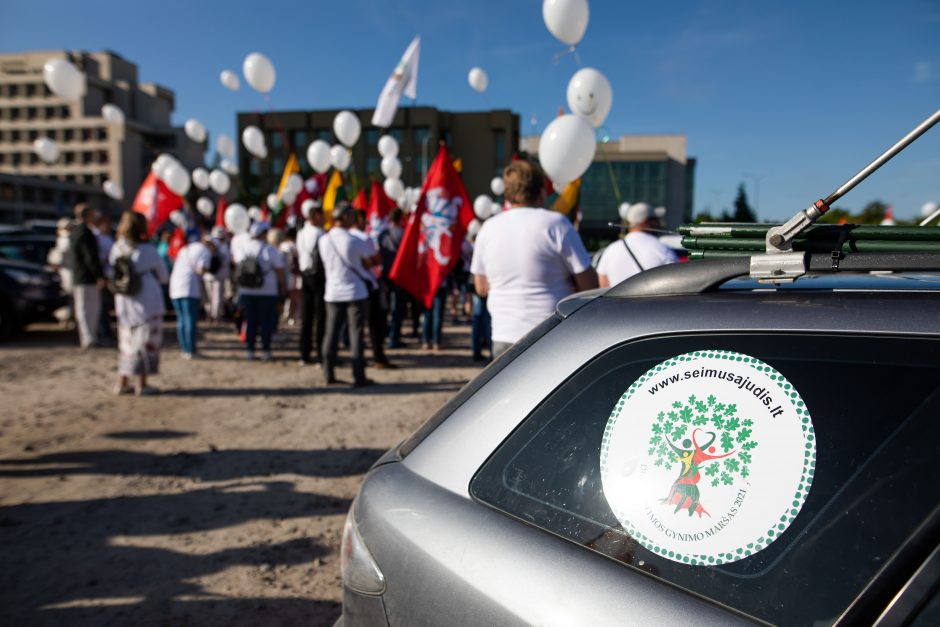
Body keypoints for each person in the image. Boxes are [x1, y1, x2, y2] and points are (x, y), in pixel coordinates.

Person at [470, 160, 598, 357]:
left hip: (503, 335)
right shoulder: (556, 223)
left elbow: (481, 288)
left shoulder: (488, 228)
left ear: (507, 194)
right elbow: (590, 285)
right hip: (549, 335)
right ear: (541, 191)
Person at [319, 203, 380, 386]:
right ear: (344, 217)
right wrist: (365, 264)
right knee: (356, 335)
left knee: (331, 334)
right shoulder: (353, 240)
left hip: (332, 293)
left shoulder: (324, 240)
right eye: (352, 215)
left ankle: (328, 373)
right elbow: (374, 260)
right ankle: (358, 376)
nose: (356, 219)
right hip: (355, 292)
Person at [110, 212, 169, 396]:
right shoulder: (147, 250)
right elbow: (164, 275)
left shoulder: (117, 248)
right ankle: (142, 383)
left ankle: (122, 381)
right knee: (145, 342)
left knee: (127, 343)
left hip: (124, 300)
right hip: (147, 300)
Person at [233, 220, 285, 361]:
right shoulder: (269, 249)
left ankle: (250, 350)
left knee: (250, 322)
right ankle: (265, 351)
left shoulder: (243, 248)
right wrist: (282, 287)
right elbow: (279, 270)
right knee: (266, 322)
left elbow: (237, 266)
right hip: (267, 292)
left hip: (246, 291)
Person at [597, 202, 678, 287]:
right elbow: (675, 283)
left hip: (615, 300)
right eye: (655, 219)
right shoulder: (663, 249)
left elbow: (604, 288)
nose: (659, 223)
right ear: (646, 222)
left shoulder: (610, 251)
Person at [352, 210, 394, 368]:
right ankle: (378, 357)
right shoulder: (364, 238)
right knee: (375, 323)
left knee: (357, 326)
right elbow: (375, 259)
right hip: (368, 286)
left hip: (355, 287)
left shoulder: (350, 237)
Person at [168, 229, 213, 359]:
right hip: (189, 288)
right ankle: (191, 350)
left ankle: (184, 349)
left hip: (175, 287)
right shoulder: (204, 251)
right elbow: (200, 269)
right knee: (190, 320)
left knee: (181, 320)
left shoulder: (185, 249)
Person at [67, 203, 106, 348]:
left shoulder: (76, 231)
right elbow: (90, 257)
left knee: (83, 309)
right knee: (89, 309)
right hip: (86, 277)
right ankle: (90, 338)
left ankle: (88, 337)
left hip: (79, 276)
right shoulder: (85, 233)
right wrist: (99, 275)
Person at [297, 202, 326, 365]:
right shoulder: (319, 233)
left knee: (307, 317)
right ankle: (321, 353)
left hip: (305, 274)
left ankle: (304, 353)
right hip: (317, 276)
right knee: (320, 316)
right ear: (317, 216)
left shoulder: (301, 232)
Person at [379, 208, 407, 348]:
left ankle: (384, 334)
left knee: (385, 307)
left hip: (385, 274)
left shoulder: (382, 234)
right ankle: (394, 337)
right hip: (398, 276)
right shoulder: (403, 234)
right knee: (397, 308)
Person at [94, 212, 115, 341]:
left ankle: (106, 329)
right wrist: (100, 276)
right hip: (103, 276)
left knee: (106, 305)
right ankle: (103, 330)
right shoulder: (96, 237)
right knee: (102, 305)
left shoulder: (107, 237)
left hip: (109, 274)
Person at [203, 226, 230, 323]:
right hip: (215, 275)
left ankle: (212, 315)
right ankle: (215, 316)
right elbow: (225, 261)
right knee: (216, 297)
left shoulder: (209, 245)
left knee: (211, 297)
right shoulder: (222, 246)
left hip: (212, 275)